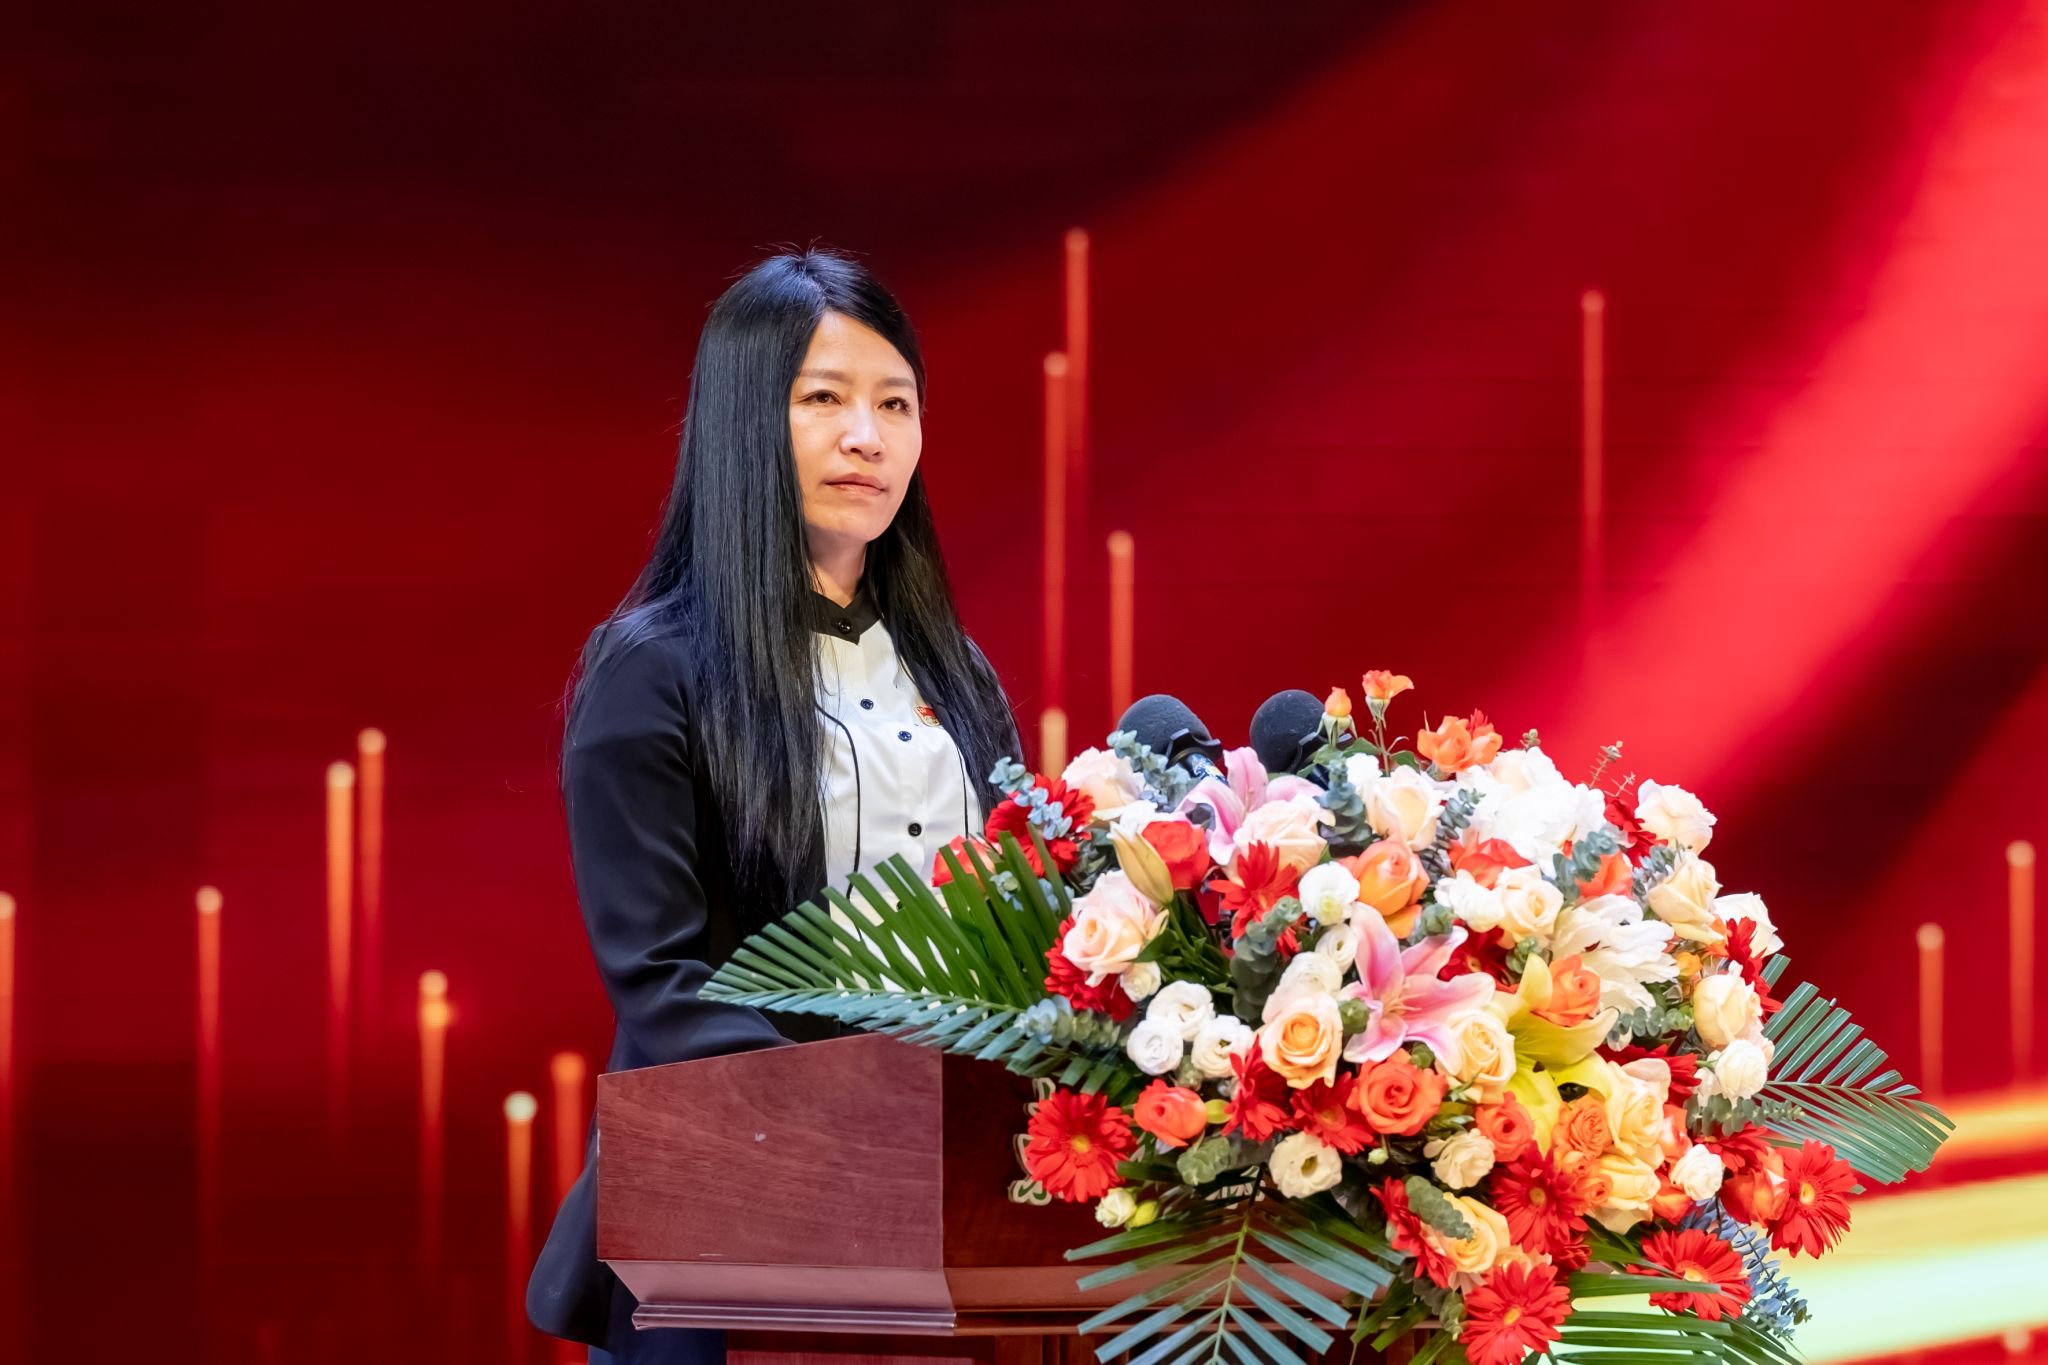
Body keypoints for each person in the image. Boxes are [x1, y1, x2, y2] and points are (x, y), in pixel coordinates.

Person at [526, 248, 1022, 1363]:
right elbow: (663, 980)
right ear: (744, 421)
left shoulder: (958, 675)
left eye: (896, 404)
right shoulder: (654, 670)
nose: (868, 437)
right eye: (824, 399)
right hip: (726, 1224)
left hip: (957, 1229)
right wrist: (854, 1123)